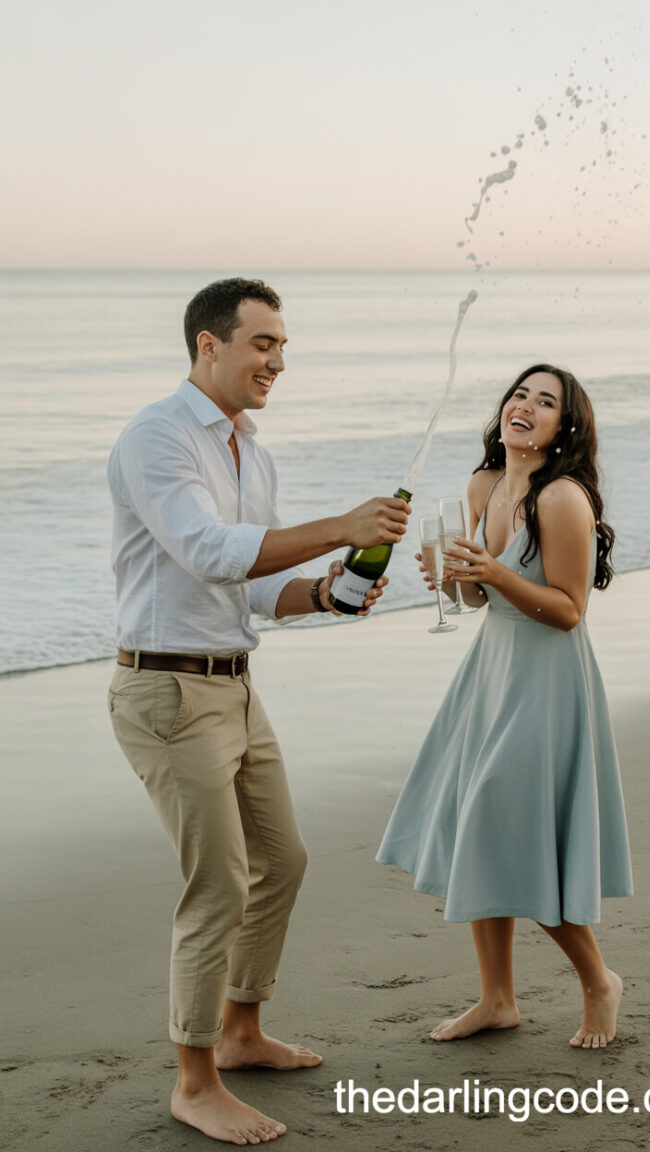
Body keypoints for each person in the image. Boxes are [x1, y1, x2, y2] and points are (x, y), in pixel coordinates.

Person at [107, 277, 410, 1146]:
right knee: (218, 883)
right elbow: (207, 551)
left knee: (283, 859)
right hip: (165, 689)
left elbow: (258, 579)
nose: (278, 359)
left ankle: (241, 1032)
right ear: (210, 344)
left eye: (283, 346)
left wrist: (326, 588)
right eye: (262, 343)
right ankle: (193, 1081)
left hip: (234, 684)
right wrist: (339, 523)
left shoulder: (251, 450)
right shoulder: (156, 437)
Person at [376, 364, 632, 1050]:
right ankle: (497, 999)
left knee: (511, 827)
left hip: (547, 682)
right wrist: (454, 579)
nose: (527, 406)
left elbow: (570, 612)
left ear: (564, 426)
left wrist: (491, 572)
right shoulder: (484, 485)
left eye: (546, 402)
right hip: (492, 673)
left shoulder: (563, 499)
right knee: (480, 828)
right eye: (521, 393)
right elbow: (477, 601)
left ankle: (599, 981)